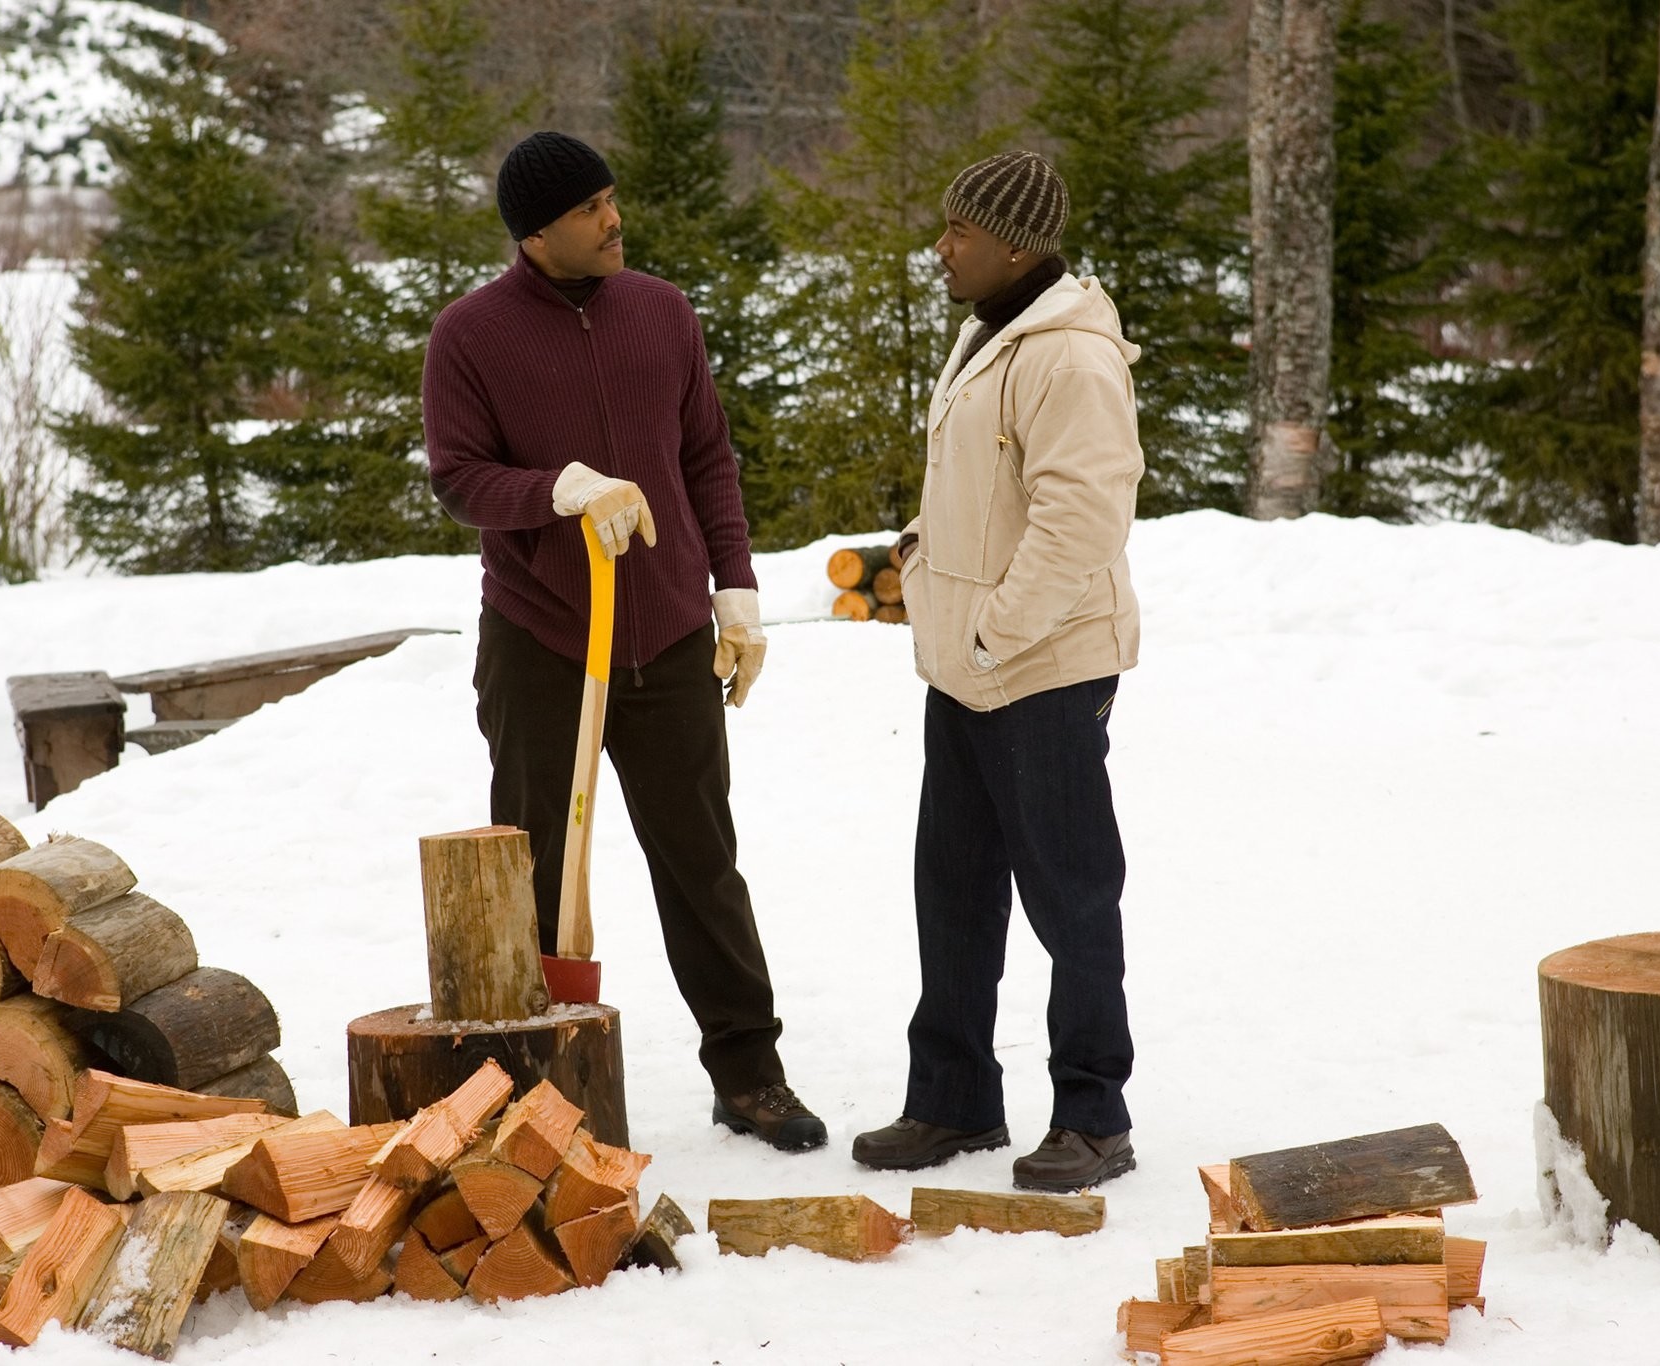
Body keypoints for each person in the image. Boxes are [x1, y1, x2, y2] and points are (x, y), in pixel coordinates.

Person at [422, 130, 825, 1152]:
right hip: (541, 639)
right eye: (589, 210)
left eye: (610, 198)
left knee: (701, 861)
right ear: (534, 233)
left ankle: (749, 1072)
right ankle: (522, 1084)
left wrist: (732, 586)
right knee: (533, 870)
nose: (613, 219)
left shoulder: (660, 311)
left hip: (671, 634)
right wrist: (558, 488)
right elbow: (459, 478)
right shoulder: (469, 336)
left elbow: (706, 458)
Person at [850, 151, 1144, 1191]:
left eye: (958, 232)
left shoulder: (1068, 357)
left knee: (1069, 898)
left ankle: (1093, 1114)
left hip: (1040, 673)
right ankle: (953, 1100)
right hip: (965, 671)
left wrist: (993, 631)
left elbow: (1080, 520)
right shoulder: (991, 331)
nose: (941, 245)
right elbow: (996, 484)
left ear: (1013, 245)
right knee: (955, 892)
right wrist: (928, 553)